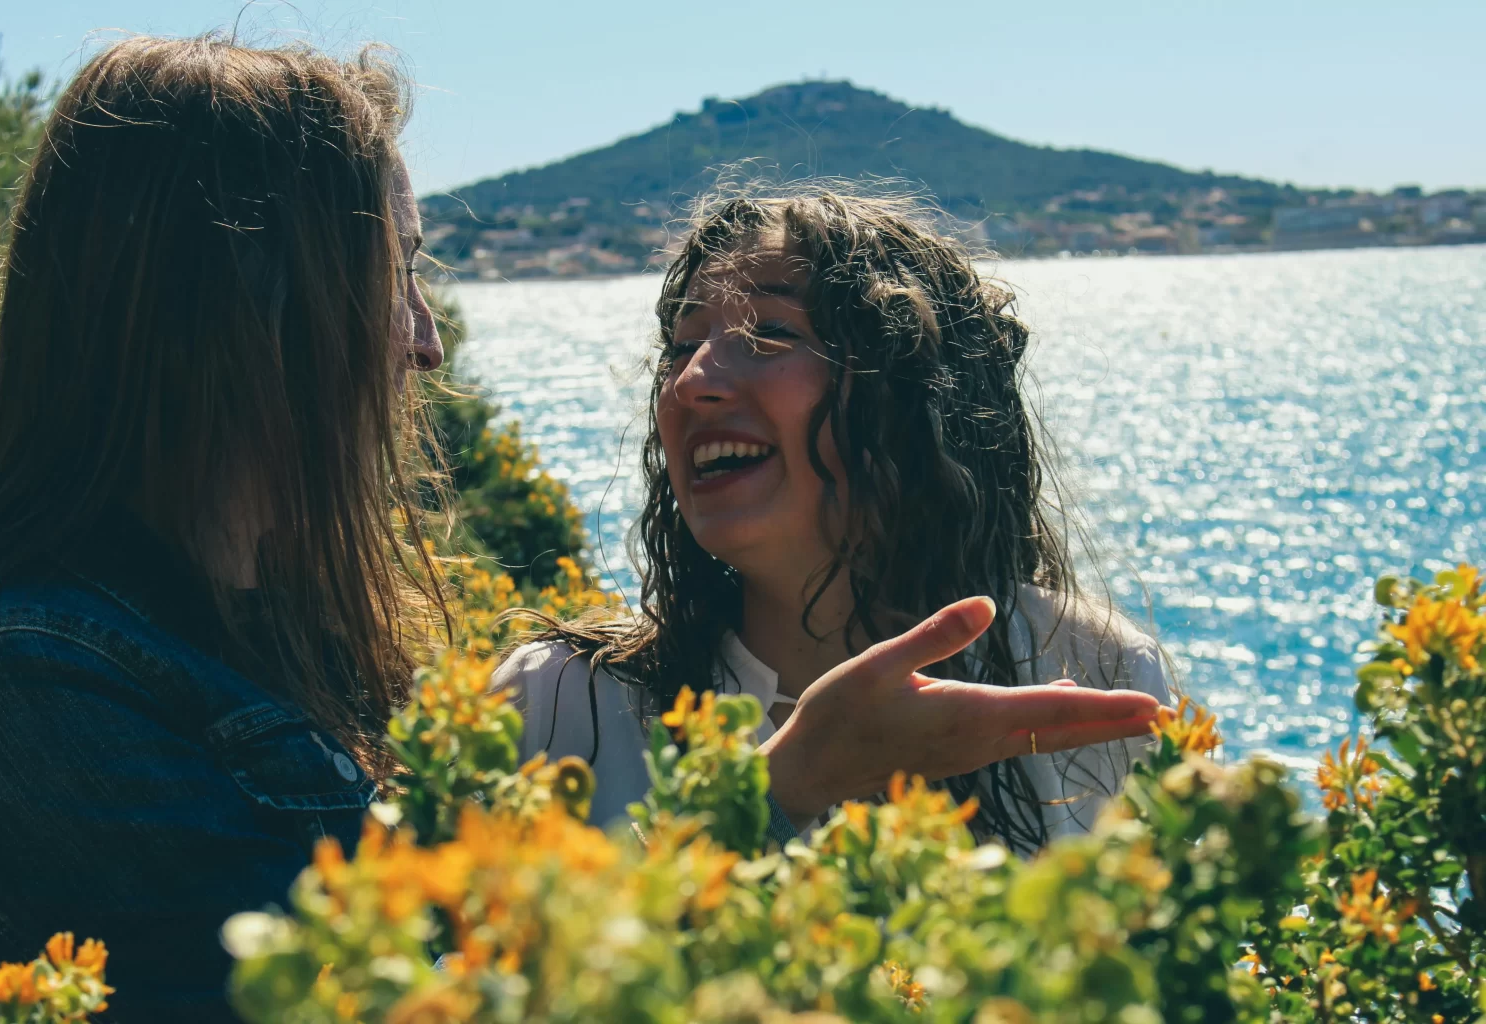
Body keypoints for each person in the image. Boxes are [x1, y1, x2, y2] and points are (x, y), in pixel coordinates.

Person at [0, 37, 447, 1019]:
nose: (426, 341)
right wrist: (779, 779)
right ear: (249, 306)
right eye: (396, 279)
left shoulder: (277, 610)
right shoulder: (32, 665)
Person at [494, 188, 1171, 848]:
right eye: (681, 345)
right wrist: (786, 788)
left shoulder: (1097, 668)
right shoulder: (557, 704)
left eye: (769, 333)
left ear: (914, 396)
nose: (694, 379)